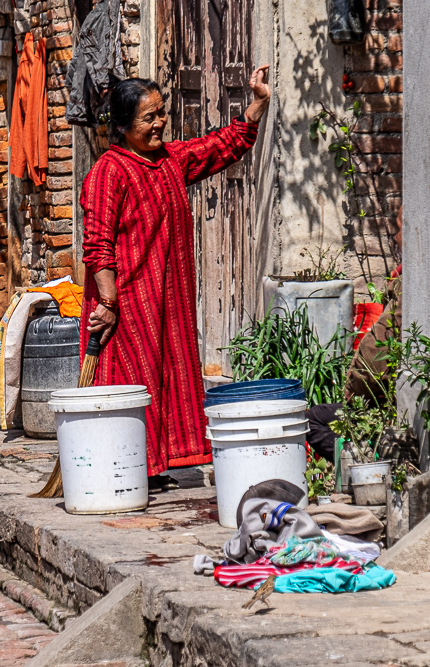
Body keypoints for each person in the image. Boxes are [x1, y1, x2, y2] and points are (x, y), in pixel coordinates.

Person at [81, 67, 271, 488]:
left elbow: (219, 147)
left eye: (161, 114)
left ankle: (155, 465)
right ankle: (125, 466)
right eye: (149, 118)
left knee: (167, 377)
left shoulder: (170, 161)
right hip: (126, 304)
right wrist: (108, 305)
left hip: (167, 301)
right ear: (123, 126)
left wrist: (257, 103)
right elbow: (97, 247)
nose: (160, 123)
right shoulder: (108, 172)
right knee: (129, 382)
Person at [307, 207, 404, 461]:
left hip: (381, 400)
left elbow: (377, 354)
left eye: (399, 230)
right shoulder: (401, 283)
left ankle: (363, 463)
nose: (395, 239)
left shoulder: (407, 286)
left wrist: (353, 390)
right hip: (380, 395)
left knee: (313, 420)